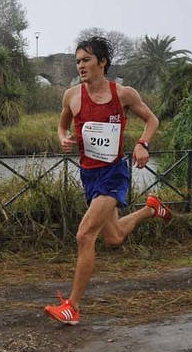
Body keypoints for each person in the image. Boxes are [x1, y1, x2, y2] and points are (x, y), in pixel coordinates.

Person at [44, 36, 172, 325]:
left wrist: (142, 144)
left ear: (102, 62)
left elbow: (152, 120)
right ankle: (151, 209)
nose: (80, 66)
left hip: (114, 173)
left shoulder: (123, 94)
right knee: (113, 238)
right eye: (78, 61)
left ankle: (72, 307)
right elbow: (62, 126)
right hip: (89, 174)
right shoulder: (71, 96)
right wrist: (63, 138)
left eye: (86, 60)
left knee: (84, 235)